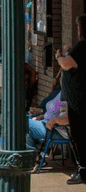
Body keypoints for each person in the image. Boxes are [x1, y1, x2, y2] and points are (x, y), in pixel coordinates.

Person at [57, 14, 86, 185]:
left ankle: (83, 171)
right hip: (80, 99)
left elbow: (66, 64)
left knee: (80, 135)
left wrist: (59, 57)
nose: (77, 29)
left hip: (80, 101)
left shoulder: (82, 46)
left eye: (78, 26)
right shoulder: (80, 48)